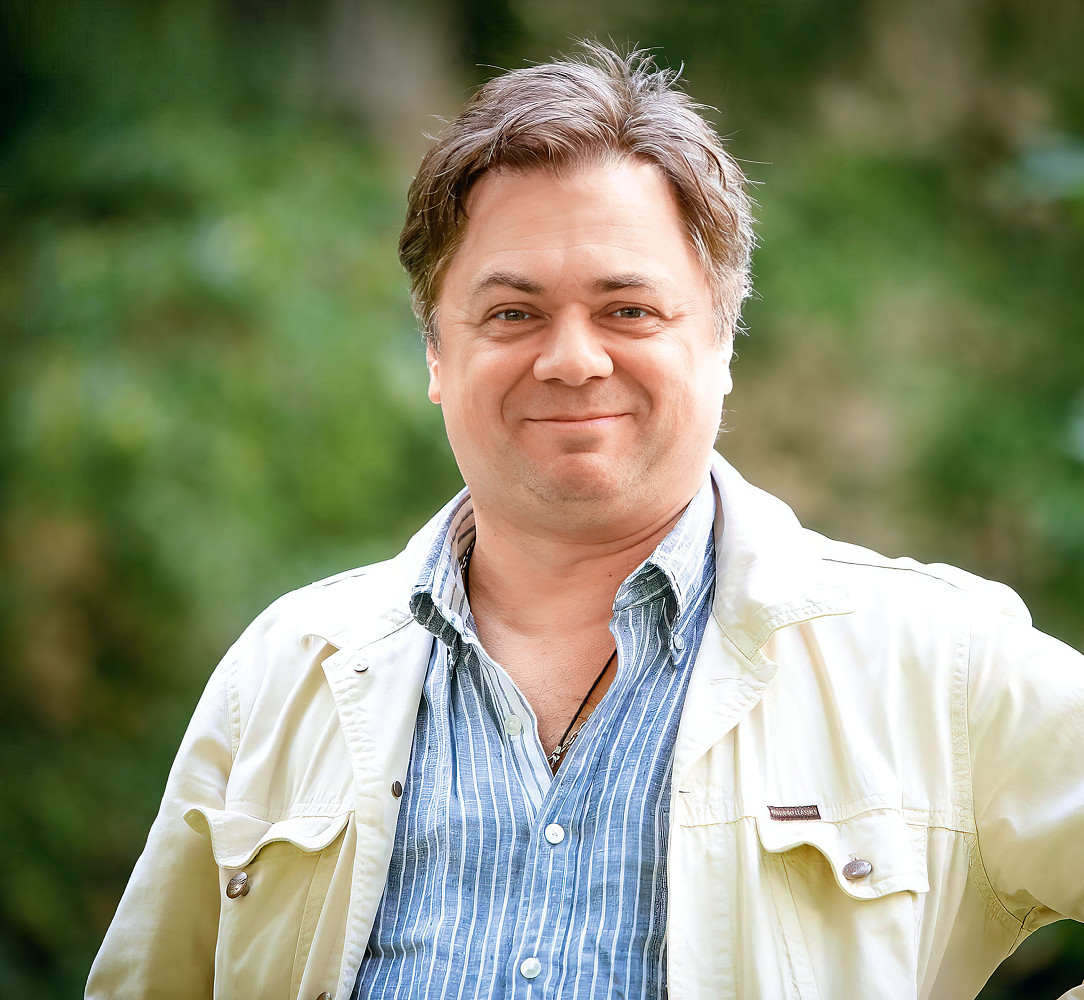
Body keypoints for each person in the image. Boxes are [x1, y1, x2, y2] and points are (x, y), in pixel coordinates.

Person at [86, 43, 1084, 1000]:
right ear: (436, 355)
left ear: (721, 343)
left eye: (628, 310)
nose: (571, 359)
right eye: (512, 313)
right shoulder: (285, 671)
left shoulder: (931, 663)